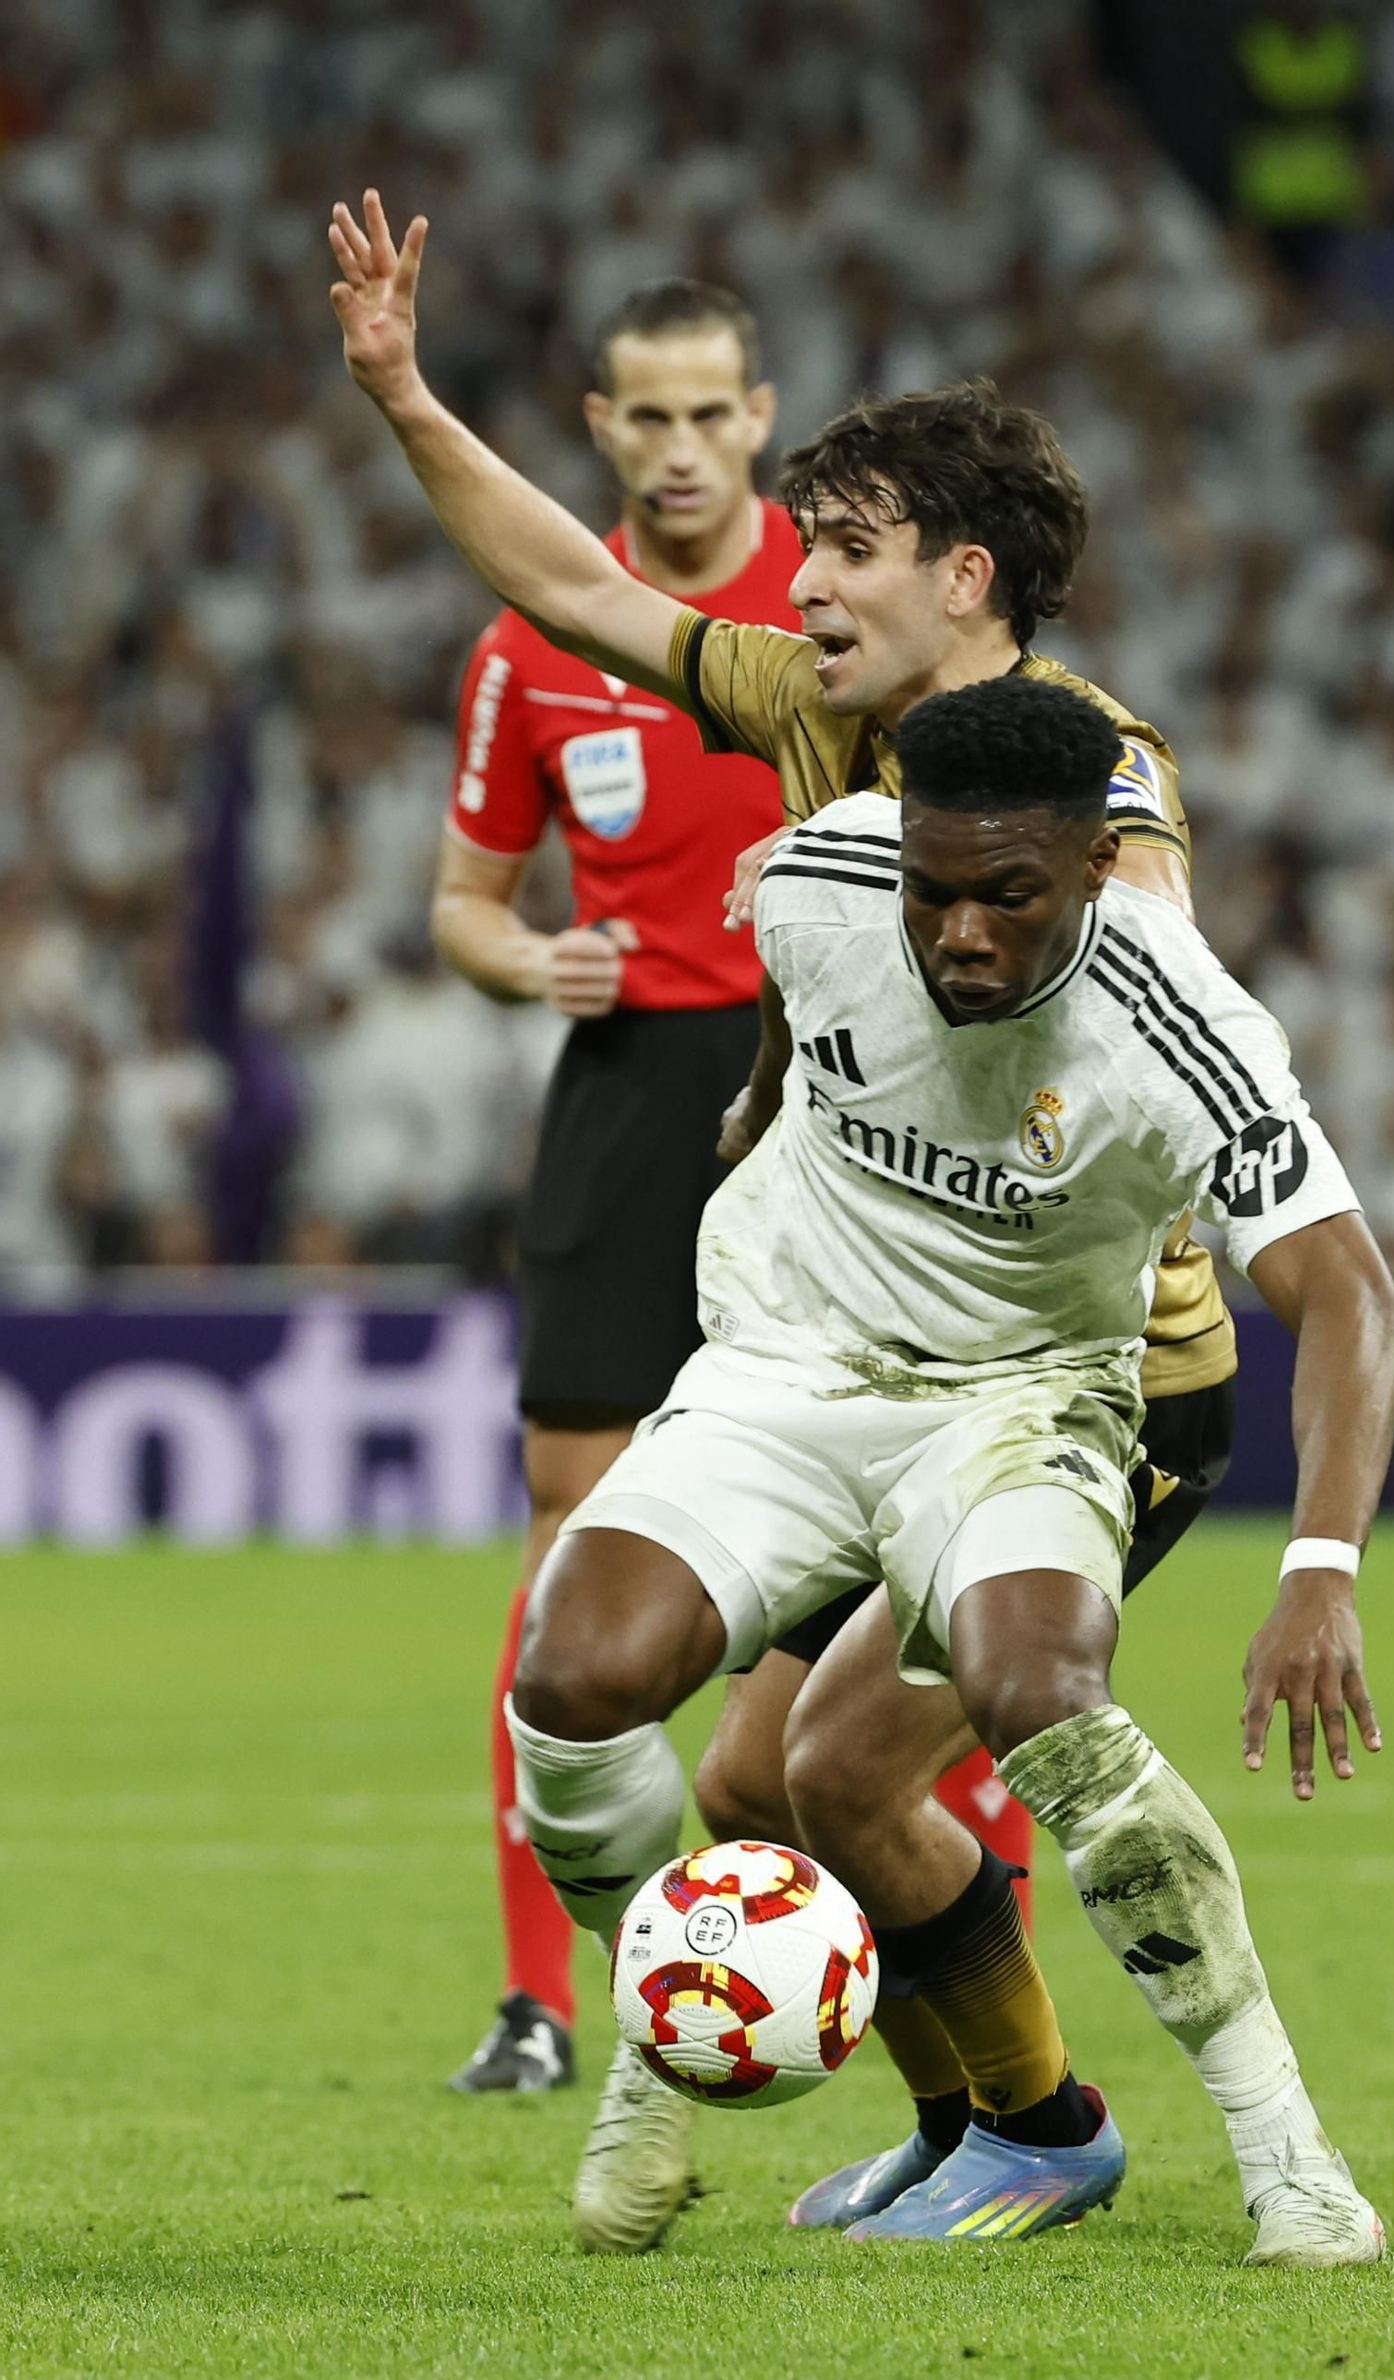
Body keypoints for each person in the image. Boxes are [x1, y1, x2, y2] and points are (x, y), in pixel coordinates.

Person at [327, 187, 1237, 2250]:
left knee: (834, 1774)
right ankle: (971, 2119)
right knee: (757, 1782)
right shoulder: (809, 698)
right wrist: (402, 398)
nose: (795, 579)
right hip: (908, 1349)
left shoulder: (1086, 758)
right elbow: (568, 582)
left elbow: (1144, 918)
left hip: (1097, 1371)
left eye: (840, 548)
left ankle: (1056, 2125)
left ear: (962, 578)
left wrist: (938, 913)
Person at [504, 676, 1394, 2261]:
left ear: (1096, 867)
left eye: (1010, 898)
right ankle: (659, 2046)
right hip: (791, 1366)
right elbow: (796, 990)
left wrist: (1320, 1571)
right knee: (572, 1681)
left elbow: (1346, 1293)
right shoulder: (822, 876)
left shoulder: (1185, 1025)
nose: (961, 935)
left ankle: (1288, 2151)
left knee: (1037, 1687)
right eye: (934, 892)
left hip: (1021, 1395)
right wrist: (762, 1102)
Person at [430, 281, 1036, 2122]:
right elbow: (462, 907)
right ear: (602, 426)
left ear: (757, 416)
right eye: (649, 417)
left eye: (712, 414)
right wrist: (528, 963)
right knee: (572, 1540)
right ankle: (548, 1998)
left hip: (837, 1090)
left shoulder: (847, 605)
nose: (682, 447)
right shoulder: (531, 649)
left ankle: (968, 1945)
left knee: (913, 1525)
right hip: (634, 1093)